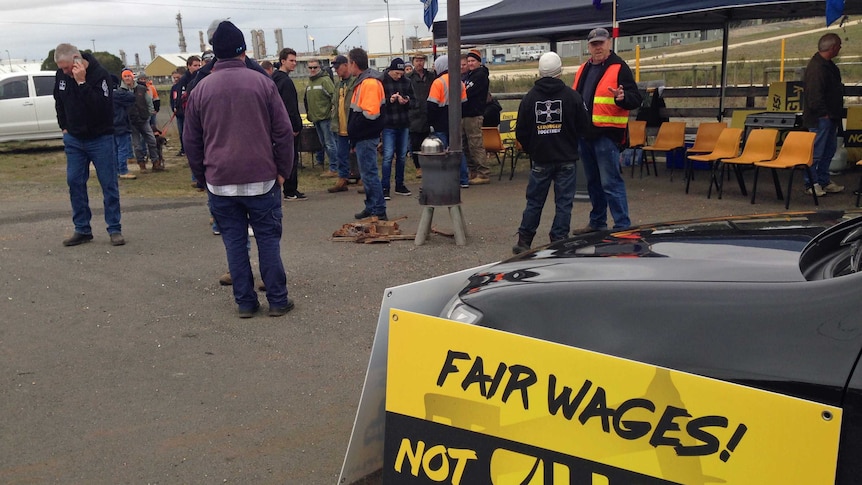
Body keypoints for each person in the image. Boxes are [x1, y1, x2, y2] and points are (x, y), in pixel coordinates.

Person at [183, 21, 295, 318]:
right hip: (262, 179)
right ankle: (278, 300)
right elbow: (283, 132)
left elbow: (190, 140)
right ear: (244, 51)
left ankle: (245, 302)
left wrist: (201, 175)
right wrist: (283, 171)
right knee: (268, 241)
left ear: (214, 54)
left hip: (220, 181)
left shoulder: (201, 88)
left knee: (234, 243)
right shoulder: (263, 83)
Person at [513, 52, 588, 254]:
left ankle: (524, 241)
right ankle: (559, 240)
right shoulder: (573, 96)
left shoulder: (529, 98)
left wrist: (533, 149)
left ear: (540, 71)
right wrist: (571, 143)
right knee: (564, 203)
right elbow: (584, 126)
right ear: (560, 71)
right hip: (566, 159)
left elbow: (520, 130)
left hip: (541, 159)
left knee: (534, 202)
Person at [52, 43, 125, 247]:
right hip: (74, 139)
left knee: (108, 183)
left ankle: (114, 228)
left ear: (77, 59)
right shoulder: (61, 76)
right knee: (74, 182)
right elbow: (59, 101)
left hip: (100, 137)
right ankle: (82, 228)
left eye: (67, 67)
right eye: (61, 68)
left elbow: (102, 108)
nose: (65, 72)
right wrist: (64, 126)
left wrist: (82, 83)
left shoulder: (100, 75)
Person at [572, 27, 642, 233]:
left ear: (609, 43)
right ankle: (597, 222)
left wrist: (623, 98)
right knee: (593, 183)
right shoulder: (583, 69)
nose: (598, 47)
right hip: (585, 134)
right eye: (594, 44)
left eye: (601, 43)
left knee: (610, 183)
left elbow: (636, 98)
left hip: (607, 136)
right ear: (589, 47)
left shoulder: (620, 67)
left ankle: (622, 226)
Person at [802, 32, 845, 197]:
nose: (840, 49)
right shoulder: (817, 68)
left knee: (829, 150)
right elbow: (814, 94)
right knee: (816, 152)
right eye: (839, 46)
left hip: (830, 116)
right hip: (820, 118)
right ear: (833, 47)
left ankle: (824, 180)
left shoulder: (828, 66)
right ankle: (811, 183)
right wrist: (823, 113)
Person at [347, 47, 387, 220]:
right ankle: (372, 206)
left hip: (366, 135)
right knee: (367, 174)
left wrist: (355, 130)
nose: (348, 66)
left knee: (369, 174)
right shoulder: (364, 81)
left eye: (348, 62)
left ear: (354, 63)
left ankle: (378, 209)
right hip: (363, 136)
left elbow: (370, 114)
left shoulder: (369, 83)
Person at [426, 54, 469, 188]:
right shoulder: (459, 82)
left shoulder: (438, 82)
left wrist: (431, 122)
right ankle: (463, 179)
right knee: (457, 151)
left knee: (443, 153)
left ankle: (446, 180)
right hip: (455, 122)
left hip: (440, 122)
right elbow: (465, 104)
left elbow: (432, 105)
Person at [273, 47, 308, 201]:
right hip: (288, 126)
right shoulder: (285, 81)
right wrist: (294, 126)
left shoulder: (274, 78)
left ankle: (287, 188)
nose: (294, 63)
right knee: (291, 158)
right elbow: (290, 106)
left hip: (277, 125)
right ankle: (290, 189)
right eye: (291, 61)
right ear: (283, 61)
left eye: (295, 60)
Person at [380, 57, 415, 199]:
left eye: (401, 74)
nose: (399, 76)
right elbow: (378, 102)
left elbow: (414, 100)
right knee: (388, 156)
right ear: (390, 70)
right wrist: (390, 100)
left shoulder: (407, 82)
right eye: (397, 73)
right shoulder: (382, 81)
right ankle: (385, 187)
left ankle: (400, 184)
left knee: (401, 156)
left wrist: (405, 100)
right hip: (388, 123)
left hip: (403, 122)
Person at [120, 69, 163, 172]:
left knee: (152, 141)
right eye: (125, 76)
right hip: (131, 122)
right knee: (137, 145)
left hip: (144, 119)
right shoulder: (121, 92)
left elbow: (149, 102)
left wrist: (149, 113)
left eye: (128, 76)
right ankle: (141, 164)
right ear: (123, 78)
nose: (127, 78)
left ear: (132, 77)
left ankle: (156, 162)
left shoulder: (141, 89)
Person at [304, 58, 338, 178]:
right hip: (316, 118)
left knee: (330, 143)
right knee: (324, 143)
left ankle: (335, 167)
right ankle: (332, 165)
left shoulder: (325, 80)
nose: (313, 70)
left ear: (320, 68)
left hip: (326, 118)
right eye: (310, 67)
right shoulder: (310, 82)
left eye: (315, 67)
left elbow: (334, 96)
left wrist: (332, 111)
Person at [327, 55, 356, 193]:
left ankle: (362, 177)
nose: (336, 70)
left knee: (358, 152)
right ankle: (342, 179)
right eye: (335, 68)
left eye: (338, 67)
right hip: (341, 125)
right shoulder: (338, 84)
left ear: (346, 65)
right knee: (341, 154)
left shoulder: (355, 82)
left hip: (353, 124)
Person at [463, 49, 492, 184]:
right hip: (465, 114)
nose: (470, 63)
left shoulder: (480, 75)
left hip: (474, 114)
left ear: (479, 62)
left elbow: (467, 92)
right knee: (466, 145)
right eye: (468, 61)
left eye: (473, 61)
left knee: (475, 144)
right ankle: (472, 170)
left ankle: (483, 172)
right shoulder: (469, 75)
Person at [407, 53, 436, 179]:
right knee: (415, 143)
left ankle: (429, 166)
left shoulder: (431, 76)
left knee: (429, 141)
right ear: (413, 62)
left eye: (422, 60)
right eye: (417, 60)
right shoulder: (408, 77)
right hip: (414, 114)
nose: (419, 63)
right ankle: (418, 167)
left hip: (429, 112)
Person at [110, 74, 137, 180]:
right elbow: (132, 97)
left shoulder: (102, 94)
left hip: (109, 126)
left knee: (114, 150)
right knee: (123, 149)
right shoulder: (118, 94)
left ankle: (116, 170)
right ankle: (123, 170)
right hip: (120, 124)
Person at [173, 56, 200, 157]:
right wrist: (176, 107)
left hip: (194, 110)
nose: (197, 68)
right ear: (189, 66)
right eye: (195, 65)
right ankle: (184, 149)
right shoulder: (184, 79)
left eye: (199, 65)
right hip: (183, 111)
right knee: (183, 132)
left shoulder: (199, 77)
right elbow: (179, 94)